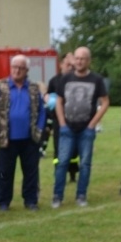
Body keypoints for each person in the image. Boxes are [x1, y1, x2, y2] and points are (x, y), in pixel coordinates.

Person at [51, 47, 109, 208]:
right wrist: (62, 123)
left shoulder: (96, 80)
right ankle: (57, 196)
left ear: (89, 60)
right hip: (67, 129)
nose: (79, 61)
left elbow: (105, 102)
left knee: (85, 164)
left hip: (86, 130)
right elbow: (58, 101)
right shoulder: (66, 78)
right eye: (77, 58)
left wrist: (93, 124)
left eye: (83, 58)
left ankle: (81, 195)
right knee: (62, 162)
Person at [0, 55, 46, 211]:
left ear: (26, 70)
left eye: (21, 68)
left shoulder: (33, 88)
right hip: (7, 137)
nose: (17, 70)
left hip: (30, 138)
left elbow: (41, 111)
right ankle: (3, 202)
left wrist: (39, 129)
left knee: (31, 171)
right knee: (4, 172)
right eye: (14, 67)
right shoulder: (0, 87)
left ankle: (31, 200)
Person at [45, 53, 80, 183]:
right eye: (67, 64)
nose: (70, 67)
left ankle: (72, 173)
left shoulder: (76, 79)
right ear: (60, 65)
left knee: (74, 148)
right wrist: (47, 98)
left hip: (73, 119)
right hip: (58, 120)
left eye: (72, 65)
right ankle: (59, 173)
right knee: (58, 147)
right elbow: (49, 97)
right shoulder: (54, 81)